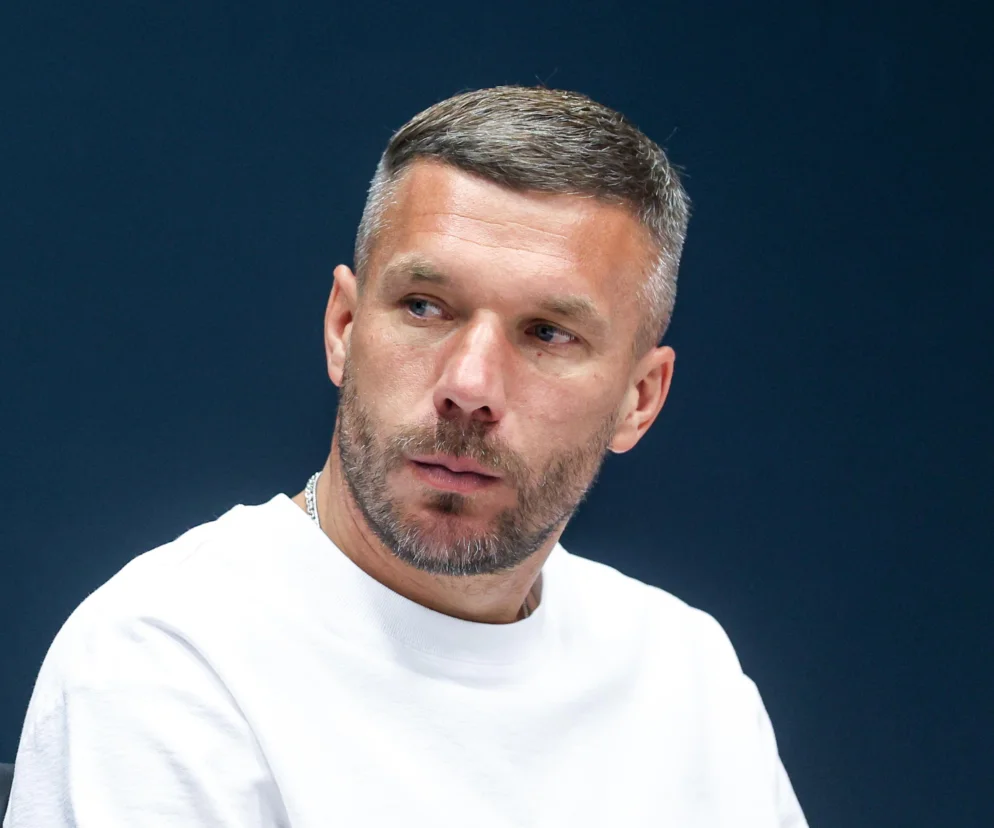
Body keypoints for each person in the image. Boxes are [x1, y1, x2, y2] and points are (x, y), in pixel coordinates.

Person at [4, 86, 807, 827]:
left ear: (640, 397)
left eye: (547, 333)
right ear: (344, 328)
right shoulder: (168, 660)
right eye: (425, 307)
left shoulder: (687, 677)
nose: (469, 386)